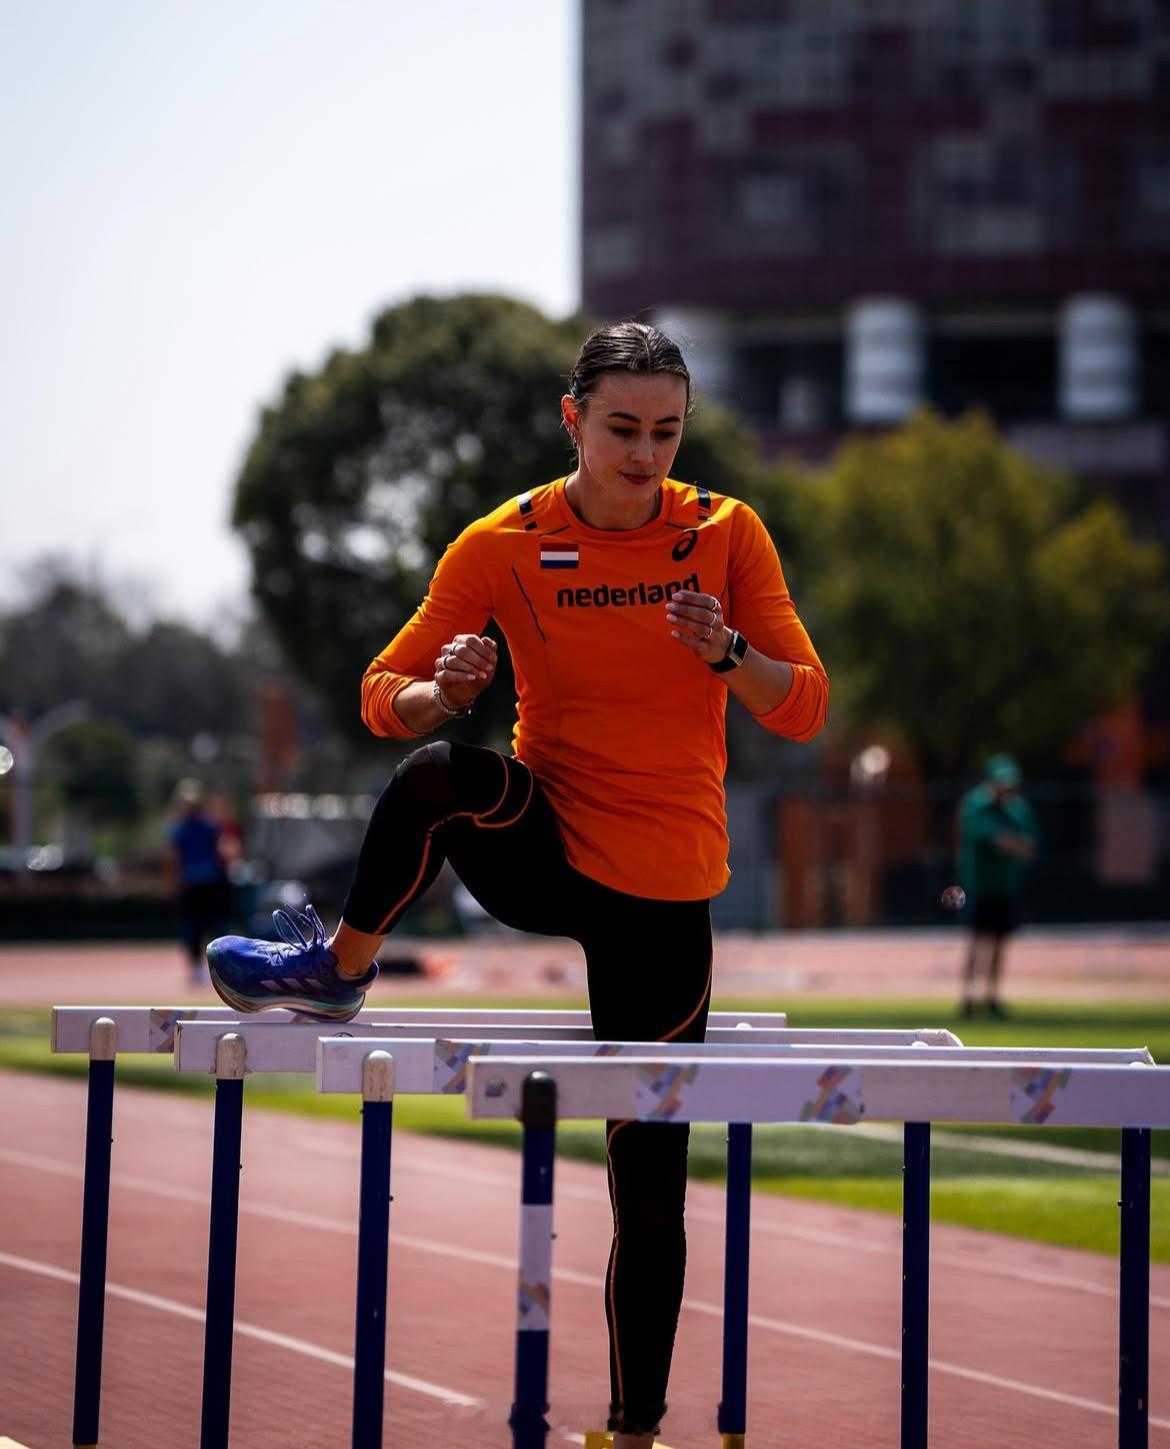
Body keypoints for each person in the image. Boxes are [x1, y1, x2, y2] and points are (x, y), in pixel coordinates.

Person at [207, 321, 829, 1444]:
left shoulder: (727, 535)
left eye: (668, 433)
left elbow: (806, 702)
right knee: (439, 771)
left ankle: (632, 1431)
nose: (647, 456)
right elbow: (381, 692)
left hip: (666, 886)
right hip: (543, 845)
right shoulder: (503, 542)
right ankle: (341, 970)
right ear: (574, 421)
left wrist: (730, 654)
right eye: (624, 430)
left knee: (648, 1186)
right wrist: (440, 693)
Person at [956, 753, 1038, 1018]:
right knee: (979, 940)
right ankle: (969, 997)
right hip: (981, 885)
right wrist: (1010, 843)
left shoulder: (1018, 809)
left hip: (1007, 885)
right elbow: (994, 838)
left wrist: (1010, 843)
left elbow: (1028, 845)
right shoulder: (977, 805)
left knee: (1000, 942)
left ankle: (992, 996)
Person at [166, 778, 234, 985]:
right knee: (210, 925)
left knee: (197, 926)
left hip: (196, 883)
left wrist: (173, 881)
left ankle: (203, 967)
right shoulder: (207, 826)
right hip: (207, 882)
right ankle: (219, 966)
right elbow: (223, 851)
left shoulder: (182, 828)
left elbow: (174, 858)